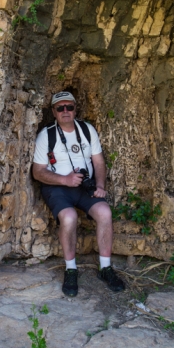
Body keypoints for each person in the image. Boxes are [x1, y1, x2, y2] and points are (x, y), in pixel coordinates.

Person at [32, 91, 126, 297]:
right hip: (57, 187)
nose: (65, 111)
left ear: (75, 109)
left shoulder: (86, 130)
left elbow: (99, 161)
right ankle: (71, 269)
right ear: (54, 112)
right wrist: (64, 180)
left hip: (85, 185)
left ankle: (105, 268)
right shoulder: (46, 135)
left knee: (105, 213)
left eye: (69, 107)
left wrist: (100, 185)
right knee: (69, 217)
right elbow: (38, 172)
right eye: (60, 108)